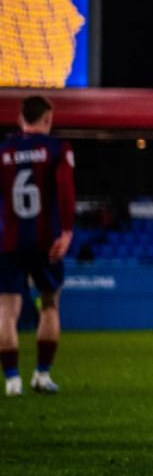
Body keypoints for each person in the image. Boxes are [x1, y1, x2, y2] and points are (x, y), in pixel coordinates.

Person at [0, 95, 74, 396]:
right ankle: (42, 375)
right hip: (47, 243)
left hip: (8, 241)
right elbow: (66, 191)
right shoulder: (57, 149)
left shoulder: (3, 150)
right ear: (47, 118)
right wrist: (66, 232)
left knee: (6, 309)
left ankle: (12, 380)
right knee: (49, 303)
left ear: (20, 118)